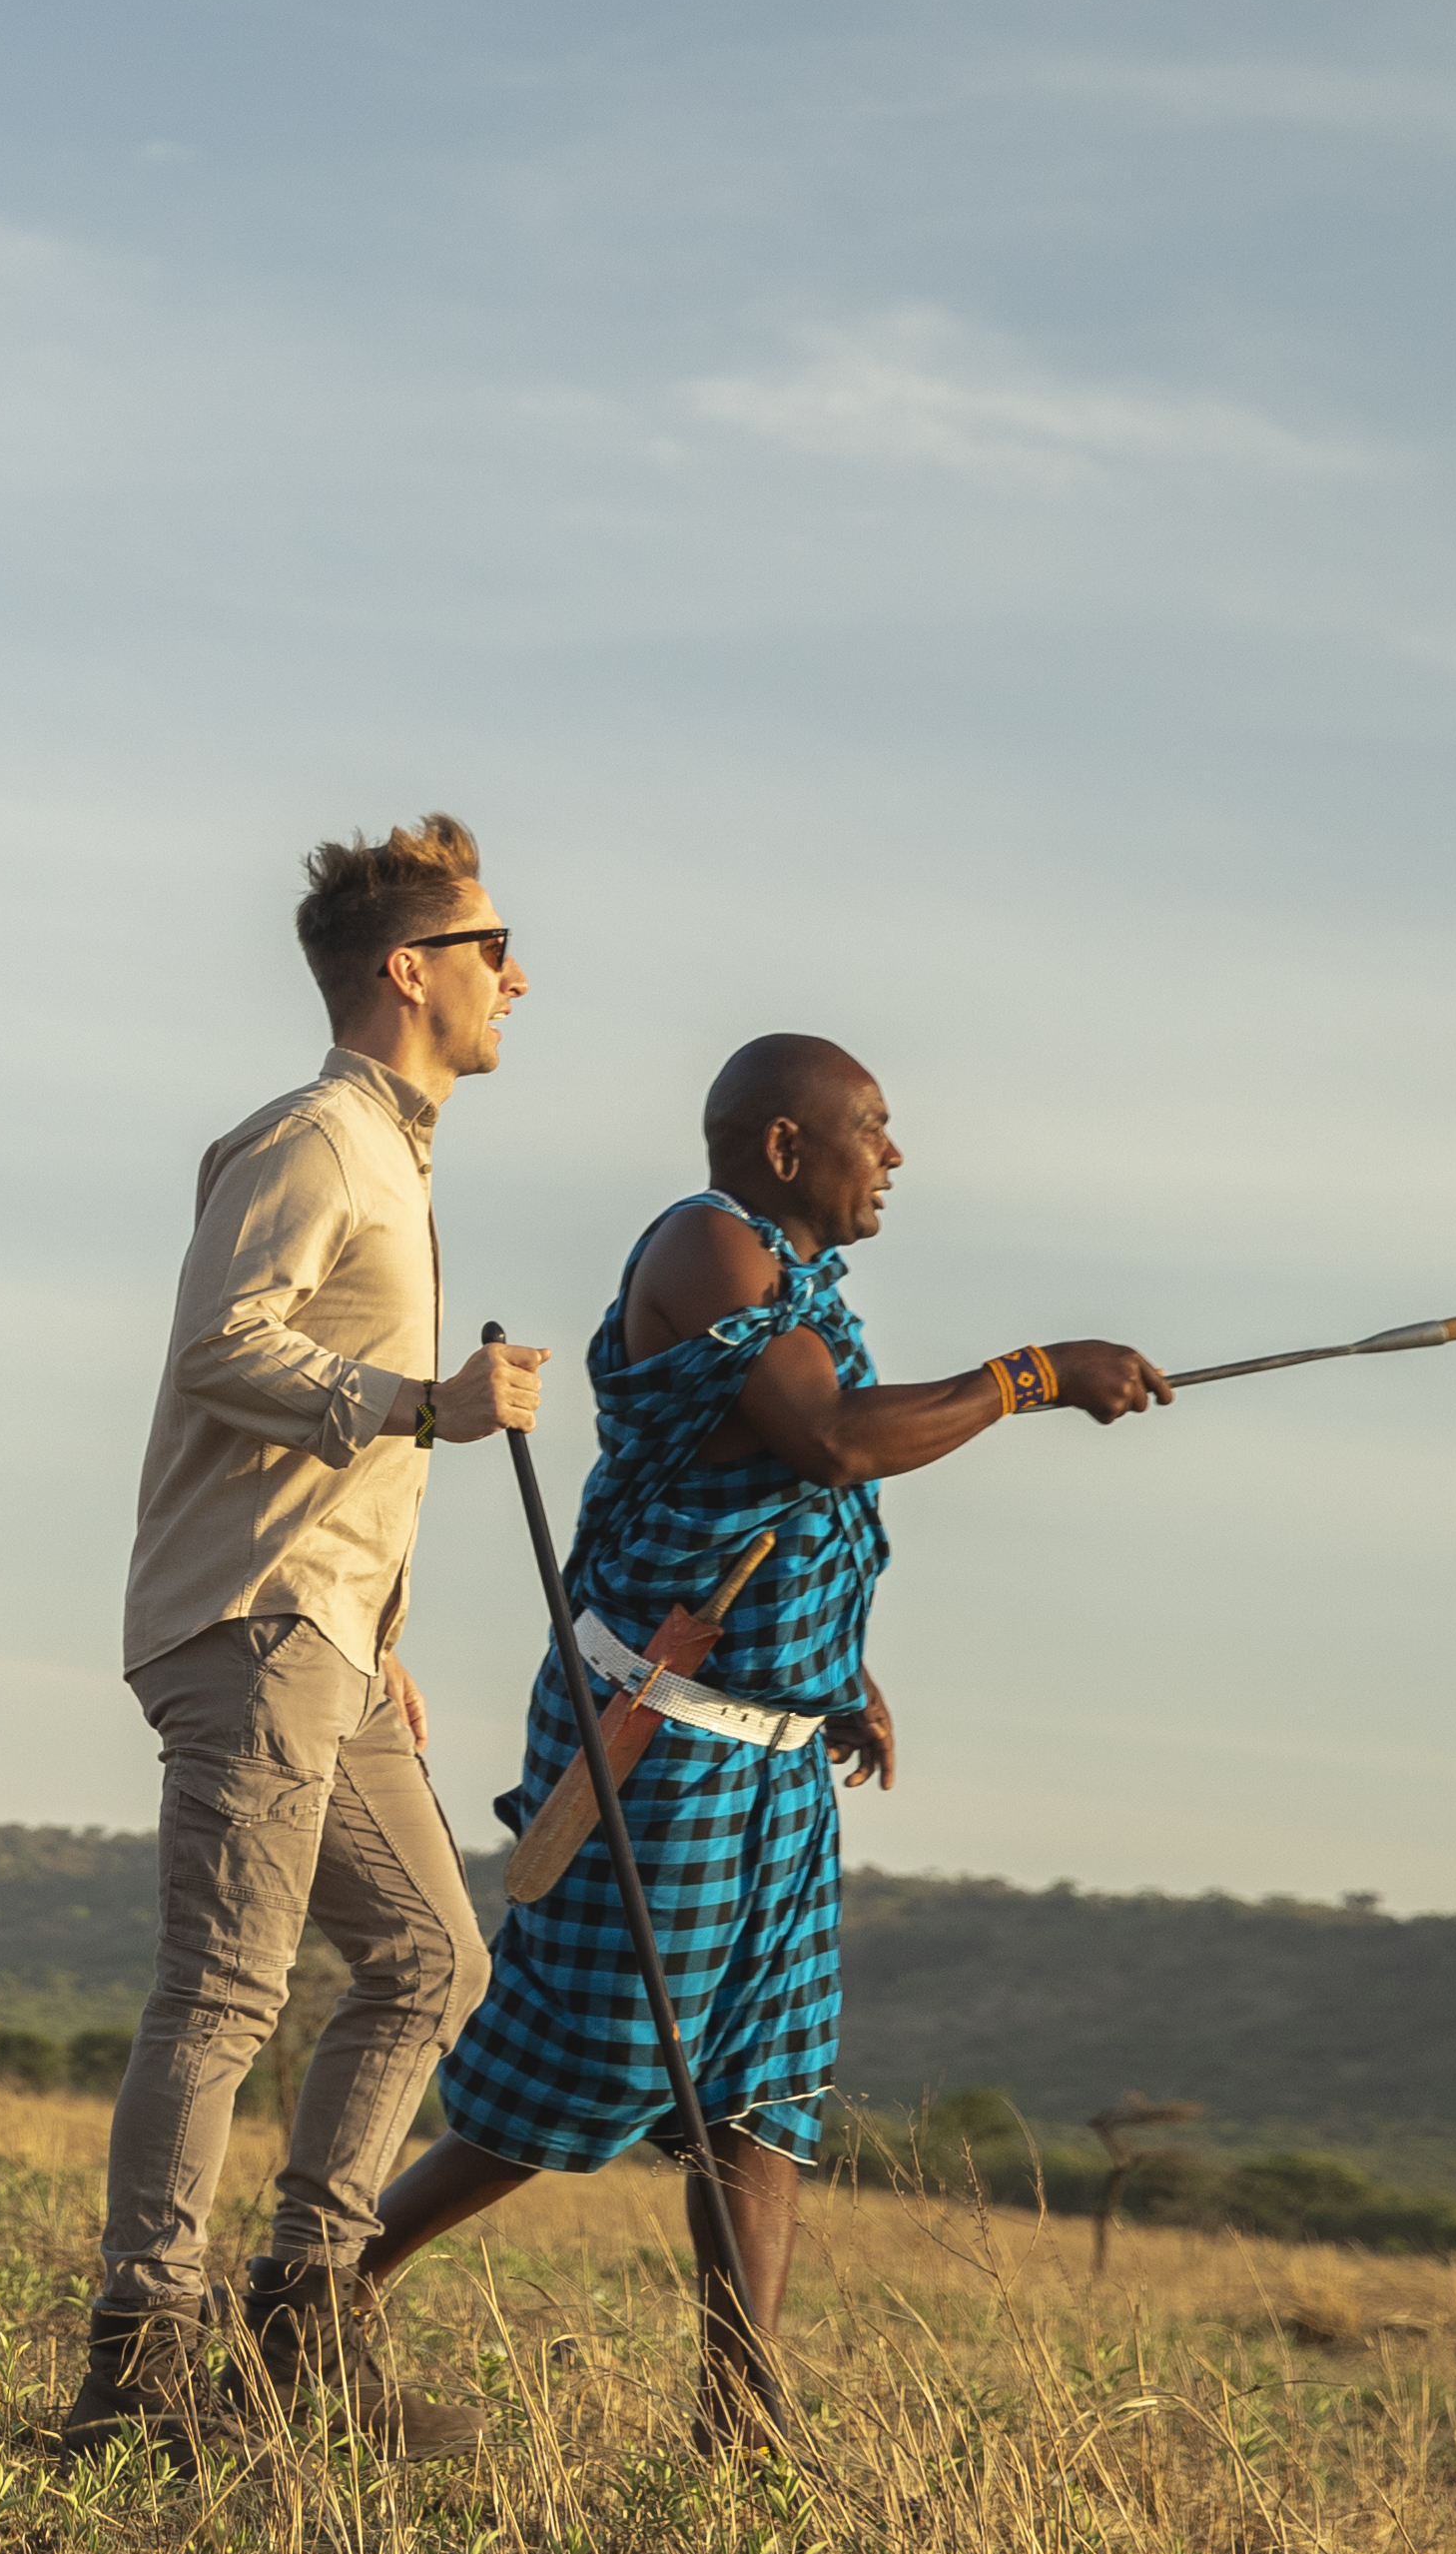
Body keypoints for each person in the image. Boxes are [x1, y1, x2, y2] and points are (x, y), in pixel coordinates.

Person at [361, 1035, 1167, 2443]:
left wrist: (834, 1675)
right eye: (876, 1129)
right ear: (787, 1148)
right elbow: (832, 1442)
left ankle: (742, 2407)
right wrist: (1032, 1374)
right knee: (603, 2057)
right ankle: (323, 2287)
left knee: (765, 2084)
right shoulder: (707, 1246)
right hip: (655, 1742)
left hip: (775, 1759)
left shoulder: (799, 1286)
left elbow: (789, 1507)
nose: (896, 1158)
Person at [68, 813, 546, 2465]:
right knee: (224, 1992)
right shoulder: (318, 1140)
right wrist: (424, 1403)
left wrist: (384, 1620)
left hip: (328, 1634)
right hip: (257, 1623)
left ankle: (305, 2318)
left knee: (435, 1959)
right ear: (412, 971)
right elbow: (224, 1347)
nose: (519, 980)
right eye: (494, 952)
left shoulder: (393, 1152)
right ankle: (138, 2370)